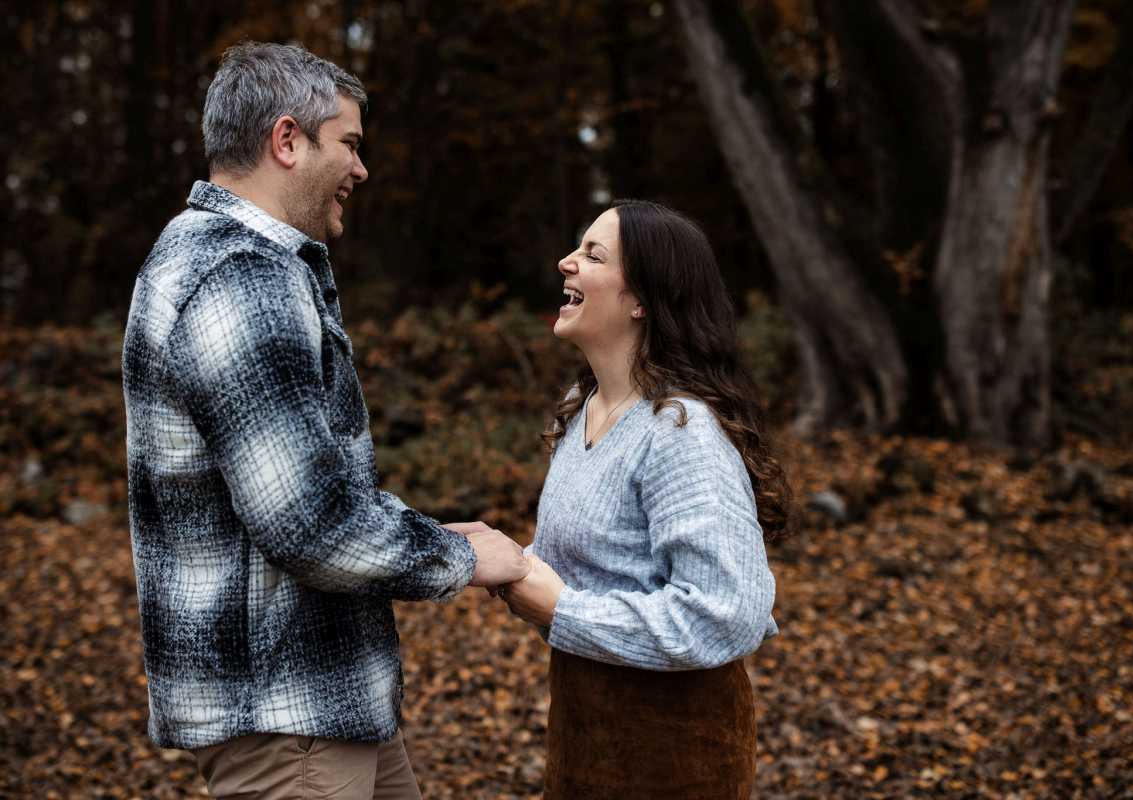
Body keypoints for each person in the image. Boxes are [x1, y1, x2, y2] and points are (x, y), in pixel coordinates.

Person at [121, 41, 529, 800]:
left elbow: (304, 486)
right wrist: (467, 561)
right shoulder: (241, 276)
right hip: (288, 721)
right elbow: (310, 523)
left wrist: (433, 531)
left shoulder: (214, 258)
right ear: (286, 141)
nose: (361, 168)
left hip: (326, 705)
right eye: (349, 144)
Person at [498, 200, 790, 799]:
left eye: (592, 255)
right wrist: (510, 564)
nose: (566, 262)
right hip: (582, 729)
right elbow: (599, 569)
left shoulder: (680, 431)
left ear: (642, 300)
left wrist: (560, 611)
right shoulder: (583, 409)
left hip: (675, 751)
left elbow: (724, 613)